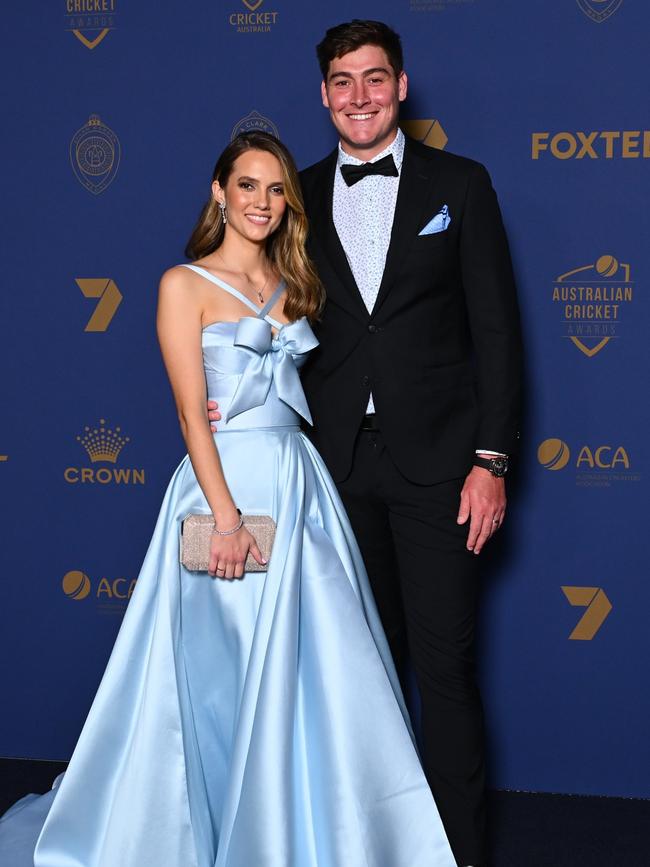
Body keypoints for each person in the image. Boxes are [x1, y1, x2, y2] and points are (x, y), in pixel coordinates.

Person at [0, 132, 457, 866]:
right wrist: (225, 516)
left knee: (319, 666)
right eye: (247, 186)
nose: (262, 202)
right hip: (225, 491)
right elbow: (190, 415)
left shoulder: (296, 280)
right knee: (222, 669)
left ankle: (311, 830)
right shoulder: (181, 284)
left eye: (277, 190)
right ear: (220, 191)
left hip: (297, 482)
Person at [213, 21, 522, 867]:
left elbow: (497, 332)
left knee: (446, 674)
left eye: (374, 79)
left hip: (440, 471)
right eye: (342, 81)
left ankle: (456, 856)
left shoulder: (462, 184)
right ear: (323, 94)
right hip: (331, 470)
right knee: (354, 681)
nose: (359, 96)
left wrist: (491, 462)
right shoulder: (295, 198)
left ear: (401, 85)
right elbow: (246, 303)